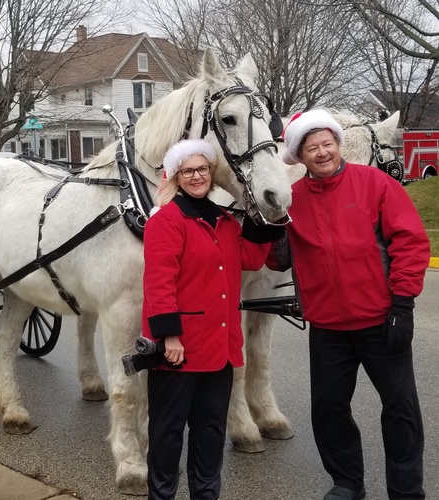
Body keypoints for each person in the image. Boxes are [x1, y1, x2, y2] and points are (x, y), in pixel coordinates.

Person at [266, 109, 430, 500]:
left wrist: (403, 305)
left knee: (400, 409)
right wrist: (269, 225)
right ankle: (346, 482)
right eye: (312, 148)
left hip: (382, 320)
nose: (322, 153)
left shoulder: (374, 184)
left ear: (339, 145)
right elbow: (277, 261)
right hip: (328, 329)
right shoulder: (294, 199)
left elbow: (410, 243)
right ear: (300, 156)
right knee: (329, 410)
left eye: (327, 144)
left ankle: (406, 490)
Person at [142, 139, 277, 500]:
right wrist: (169, 335)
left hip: (220, 348)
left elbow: (249, 258)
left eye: (203, 169)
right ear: (176, 176)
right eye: (188, 171)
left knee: (210, 431)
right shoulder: (167, 220)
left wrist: (267, 219)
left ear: (212, 174)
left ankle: (206, 494)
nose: (197, 176)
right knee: (168, 434)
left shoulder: (225, 221)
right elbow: (159, 282)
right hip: (180, 351)